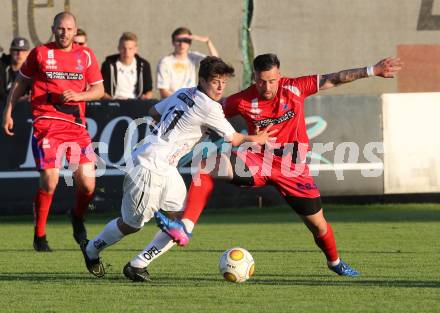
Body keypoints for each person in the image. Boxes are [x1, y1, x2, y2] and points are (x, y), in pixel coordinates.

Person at [155, 53, 403, 277]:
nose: (267, 86)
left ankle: (335, 262)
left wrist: (372, 70)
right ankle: (185, 227)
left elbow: (335, 78)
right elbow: (207, 110)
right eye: (262, 81)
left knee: (318, 226)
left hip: (293, 170)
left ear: (279, 75)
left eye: (272, 80)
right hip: (256, 161)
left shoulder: (295, 87)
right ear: (255, 77)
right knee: (207, 165)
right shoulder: (242, 100)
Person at [80, 56, 275, 281]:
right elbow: (233, 138)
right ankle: (92, 249)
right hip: (149, 166)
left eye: (224, 82)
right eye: (215, 81)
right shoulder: (209, 106)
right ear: (202, 80)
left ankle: (138, 264)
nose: (221, 87)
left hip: (166, 166)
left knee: (182, 223)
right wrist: (257, 138)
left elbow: (153, 111)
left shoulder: (184, 91)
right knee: (132, 225)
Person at [1, 12, 104, 252]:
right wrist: (8, 110)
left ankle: (77, 217)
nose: (64, 33)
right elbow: (20, 82)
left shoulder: (85, 55)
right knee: (50, 179)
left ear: (75, 31)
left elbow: (99, 89)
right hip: (46, 122)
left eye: (69, 29)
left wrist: (80, 95)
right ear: (53, 29)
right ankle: (40, 235)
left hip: (76, 126)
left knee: (88, 185)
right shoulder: (40, 53)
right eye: (60, 28)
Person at [157, 27, 219, 99]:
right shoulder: (165, 62)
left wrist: (208, 42)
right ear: (173, 42)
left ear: (190, 43)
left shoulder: (193, 57)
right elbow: (164, 92)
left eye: (185, 41)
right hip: (172, 104)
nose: (182, 44)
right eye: (178, 40)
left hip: (191, 102)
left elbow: (215, 62)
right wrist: (182, 101)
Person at [101, 32, 153, 100]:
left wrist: (145, 98)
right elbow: (102, 91)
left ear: (136, 49)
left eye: (130, 48)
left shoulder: (144, 65)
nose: (126, 52)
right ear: (118, 48)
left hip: (135, 103)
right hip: (114, 103)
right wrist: (112, 101)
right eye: (123, 48)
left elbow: (149, 91)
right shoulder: (108, 65)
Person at [0, 37, 31, 102]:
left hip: (24, 108)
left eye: (23, 51)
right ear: (10, 51)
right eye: (16, 50)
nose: (19, 54)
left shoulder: (32, 69)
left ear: (28, 53)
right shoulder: (2, 65)